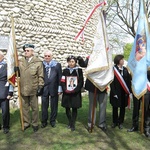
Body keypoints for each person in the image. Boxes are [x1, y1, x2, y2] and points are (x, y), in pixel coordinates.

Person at [77, 56, 107, 131]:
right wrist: (80, 60)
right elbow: (84, 64)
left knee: (102, 106)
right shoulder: (91, 57)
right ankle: (91, 123)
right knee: (92, 105)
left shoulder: (105, 57)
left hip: (102, 85)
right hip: (92, 86)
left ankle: (102, 123)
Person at [18, 44, 44, 132]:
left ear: (32, 52)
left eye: (27, 51)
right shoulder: (20, 61)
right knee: (24, 107)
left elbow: (41, 76)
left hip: (33, 88)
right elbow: (18, 73)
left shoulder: (38, 62)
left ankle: (35, 123)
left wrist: (40, 86)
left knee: (34, 108)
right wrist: (16, 70)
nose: (26, 52)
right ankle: (26, 123)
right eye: (25, 51)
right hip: (23, 88)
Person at [61, 55, 84, 131]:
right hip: (66, 93)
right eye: (69, 61)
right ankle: (70, 121)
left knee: (74, 108)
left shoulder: (79, 71)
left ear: (75, 62)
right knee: (67, 108)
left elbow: (81, 82)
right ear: (67, 62)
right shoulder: (65, 71)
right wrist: (65, 89)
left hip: (75, 93)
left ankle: (72, 123)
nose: (71, 63)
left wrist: (75, 90)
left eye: (73, 61)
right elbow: (63, 81)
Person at [41, 50, 62, 128]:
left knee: (54, 105)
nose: (47, 57)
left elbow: (60, 77)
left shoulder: (57, 65)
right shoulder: (41, 65)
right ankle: (44, 121)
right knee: (44, 106)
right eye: (45, 56)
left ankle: (52, 120)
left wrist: (60, 88)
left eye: (48, 56)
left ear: (52, 57)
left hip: (54, 88)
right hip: (44, 88)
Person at [110, 55, 131, 129]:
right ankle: (115, 122)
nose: (123, 61)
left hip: (124, 92)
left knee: (122, 108)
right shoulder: (113, 69)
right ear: (118, 60)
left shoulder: (125, 69)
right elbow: (111, 82)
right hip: (115, 91)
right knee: (115, 107)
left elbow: (128, 80)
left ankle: (120, 122)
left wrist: (129, 91)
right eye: (122, 59)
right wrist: (114, 92)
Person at [128, 70, 150, 138]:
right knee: (136, 108)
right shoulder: (136, 66)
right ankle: (135, 126)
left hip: (146, 90)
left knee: (146, 110)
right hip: (137, 89)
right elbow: (131, 78)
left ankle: (146, 128)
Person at [0, 51, 13, 134]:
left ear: (2, 57)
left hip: (4, 92)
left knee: (5, 112)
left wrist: (10, 92)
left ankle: (6, 126)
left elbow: (11, 80)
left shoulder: (7, 67)